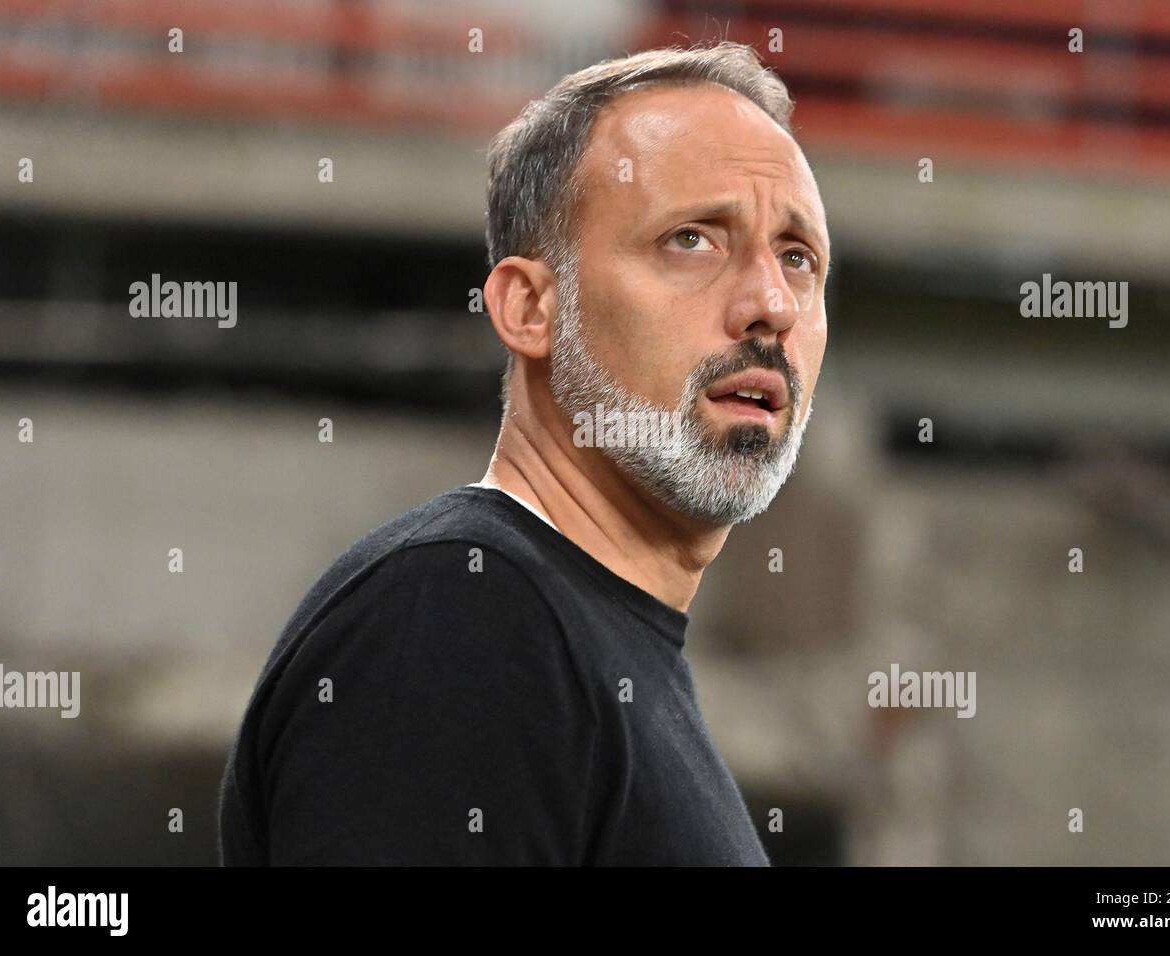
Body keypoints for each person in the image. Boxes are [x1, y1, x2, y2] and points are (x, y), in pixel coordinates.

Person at [218, 40, 830, 865]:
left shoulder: (584, 644)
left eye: (797, 257)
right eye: (693, 239)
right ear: (531, 307)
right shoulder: (459, 617)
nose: (771, 304)